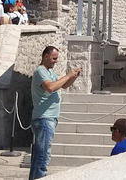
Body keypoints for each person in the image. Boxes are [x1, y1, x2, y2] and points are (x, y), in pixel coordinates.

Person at [29, 46, 81, 179]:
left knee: (38, 156)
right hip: (44, 119)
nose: (56, 61)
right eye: (54, 58)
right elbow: (51, 87)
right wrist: (67, 75)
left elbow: (62, 85)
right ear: (45, 56)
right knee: (42, 157)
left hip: (48, 118)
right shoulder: (40, 71)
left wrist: (73, 77)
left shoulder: (49, 72)